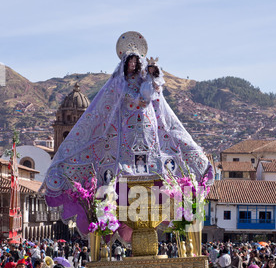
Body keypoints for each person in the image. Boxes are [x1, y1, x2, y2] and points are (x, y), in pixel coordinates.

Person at [42, 31, 213, 238]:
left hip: (147, 124)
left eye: (135, 61)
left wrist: (153, 79)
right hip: (126, 128)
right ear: (125, 63)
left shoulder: (145, 80)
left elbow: (156, 96)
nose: (133, 65)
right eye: (130, 61)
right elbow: (114, 102)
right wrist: (135, 101)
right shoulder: (117, 83)